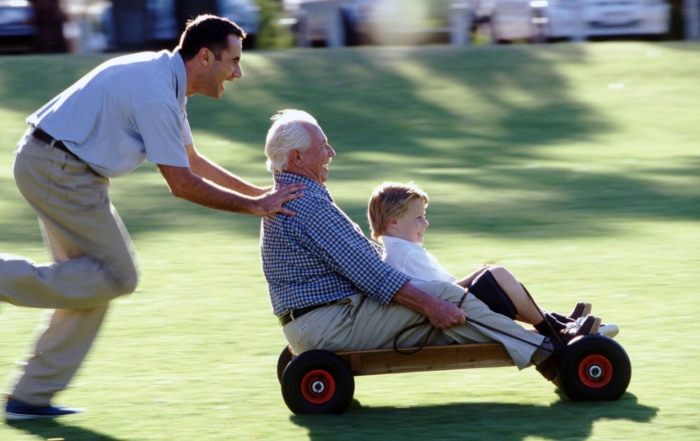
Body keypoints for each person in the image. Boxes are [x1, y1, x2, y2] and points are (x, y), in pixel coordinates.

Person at [0, 15, 305, 421]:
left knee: (91, 282)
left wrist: (260, 194)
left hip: (60, 166)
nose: (238, 72)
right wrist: (254, 207)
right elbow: (182, 183)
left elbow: (192, 161)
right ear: (205, 57)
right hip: (58, 168)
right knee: (118, 275)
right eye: (233, 61)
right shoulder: (157, 94)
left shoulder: (166, 81)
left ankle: (29, 397)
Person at [260, 109, 600, 389]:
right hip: (329, 325)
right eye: (323, 146)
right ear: (297, 157)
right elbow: (374, 275)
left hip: (318, 322)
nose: (331, 152)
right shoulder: (307, 204)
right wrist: (433, 305)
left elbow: (361, 259)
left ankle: (549, 332)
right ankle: (548, 350)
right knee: (447, 297)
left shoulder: (293, 196)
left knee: (454, 290)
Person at [367, 181, 618, 339]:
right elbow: (445, 293)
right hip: (450, 318)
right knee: (498, 275)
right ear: (394, 222)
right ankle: (556, 329)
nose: (426, 223)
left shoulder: (400, 251)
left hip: (451, 310)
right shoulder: (405, 254)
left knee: (493, 277)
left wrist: (477, 275)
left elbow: (440, 289)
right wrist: (477, 276)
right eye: (418, 218)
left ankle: (559, 322)